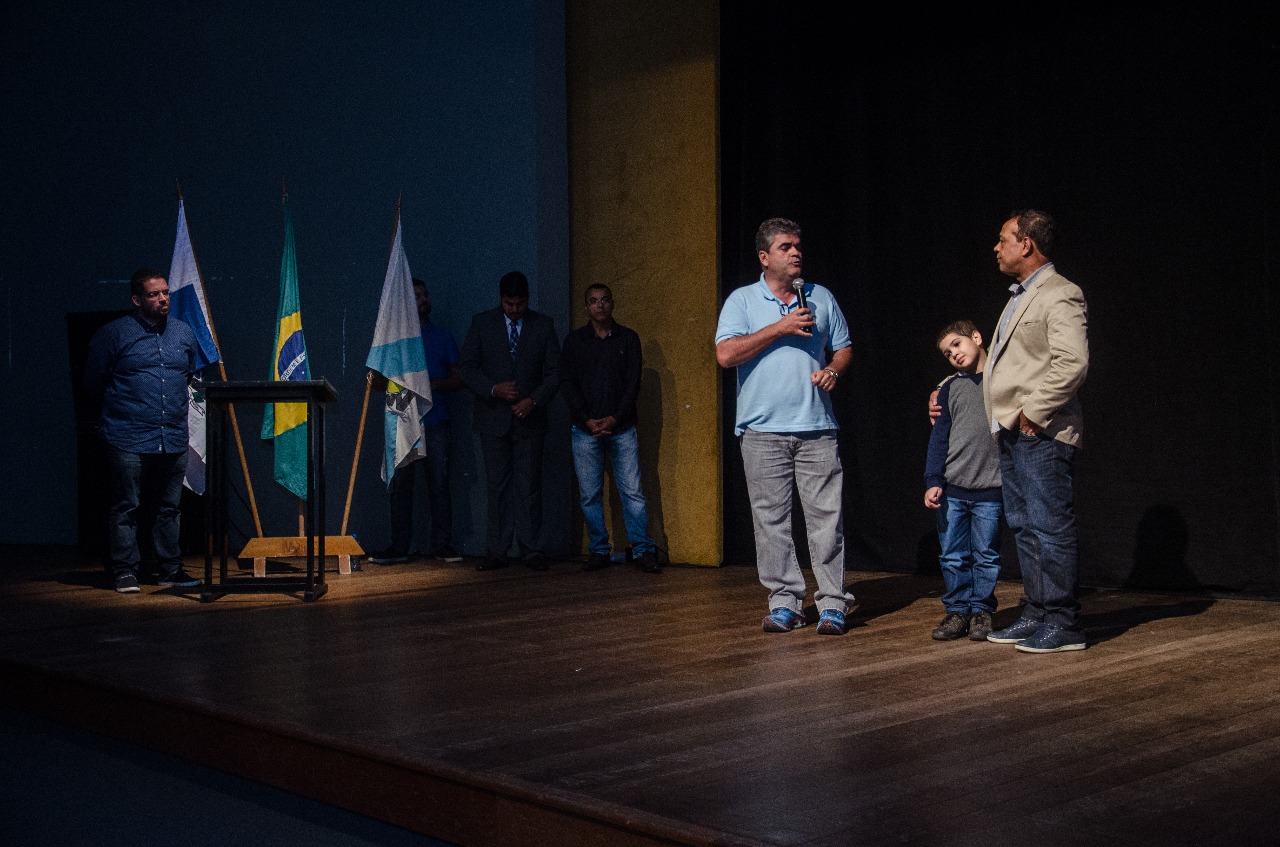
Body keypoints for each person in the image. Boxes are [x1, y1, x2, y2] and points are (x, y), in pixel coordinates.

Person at [714, 217, 856, 635]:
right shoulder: (742, 300)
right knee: (771, 522)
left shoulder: (820, 296)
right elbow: (726, 355)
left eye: (798, 246)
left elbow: (844, 348)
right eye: (785, 247)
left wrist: (833, 369)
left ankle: (833, 604)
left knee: (826, 521)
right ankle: (785, 602)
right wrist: (780, 327)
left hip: (817, 427)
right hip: (761, 431)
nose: (796, 253)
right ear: (764, 257)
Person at [975, 209, 1089, 653]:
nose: (996, 247)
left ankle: (1064, 623)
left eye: (1004, 239)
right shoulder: (1020, 295)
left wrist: (1033, 415)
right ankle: (1038, 612)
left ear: (1026, 244)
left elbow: (1071, 363)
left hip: (1041, 432)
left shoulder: (1060, 293)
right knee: (1024, 527)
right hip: (1012, 429)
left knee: (1049, 527)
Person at [83, 268, 203, 593]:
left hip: (172, 436)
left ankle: (170, 569)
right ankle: (125, 571)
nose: (163, 299)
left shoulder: (183, 333)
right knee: (127, 505)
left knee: (169, 507)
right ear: (137, 300)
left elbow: (187, 377)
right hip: (128, 436)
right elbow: (94, 382)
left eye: (165, 292)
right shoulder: (114, 334)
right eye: (154, 294)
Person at [459, 270, 560, 571]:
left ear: (528, 299)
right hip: (493, 419)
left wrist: (534, 400)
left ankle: (532, 549)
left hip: (530, 419)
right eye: (508, 304)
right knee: (497, 486)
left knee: (529, 487)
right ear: (500, 299)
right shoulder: (482, 323)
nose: (514, 310)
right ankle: (497, 550)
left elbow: (555, 372)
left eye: (520, 304)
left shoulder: (543, 325)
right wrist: (494, 389)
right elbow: (467, 368)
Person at [559, 283, 659, 574]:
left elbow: (632, 384)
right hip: (585, 429)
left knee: (633, 493)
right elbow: (567, 383)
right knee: (590, 494)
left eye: (604, 300)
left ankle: (642, 550)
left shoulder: (628, 338)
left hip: (622, 427)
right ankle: (599, 550)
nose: (599, 305)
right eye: (593, 301)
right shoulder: (575, 342)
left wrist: (614, 418)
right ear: (586, 307)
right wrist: (586, 419)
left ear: (612, 303)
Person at [368, 278, 464, 565]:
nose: (423, 299)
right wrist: (394, 383)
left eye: (425, 294)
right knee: (401, 486)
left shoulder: (442, 336)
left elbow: (459, 378)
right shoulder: (393, 340)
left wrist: (429, 385)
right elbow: (375, 381)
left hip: (435, 420)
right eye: (417, 295)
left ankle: (442, 545)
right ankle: (399, 546)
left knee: (439, 484)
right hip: (401, 419)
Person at [924, 319, 1003, 641]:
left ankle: (982, 612)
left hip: (991, 489)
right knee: (952, 555)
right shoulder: (949, 389)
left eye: (957, 344)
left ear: (977, 337)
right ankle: (957, 611)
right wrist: (933, 479)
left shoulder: (1001, 379)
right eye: (947, 352)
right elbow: (939, 438)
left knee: (986, 555)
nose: (953, 353)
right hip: (953, 489)